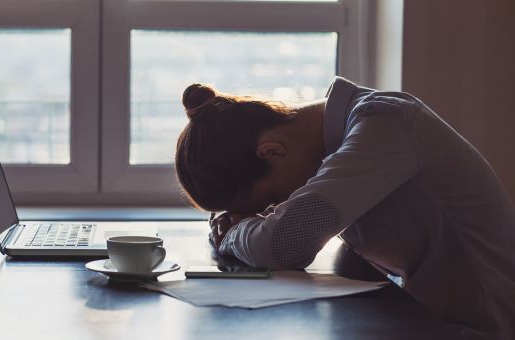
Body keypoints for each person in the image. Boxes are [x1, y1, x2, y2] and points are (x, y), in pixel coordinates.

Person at [174, 77, 515, 339]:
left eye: (266, 202)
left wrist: (234, 233)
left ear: (272, 152)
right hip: (427, 316)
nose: (275, 208)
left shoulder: (385, 125)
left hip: (482, 328)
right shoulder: (342, 139)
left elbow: (281, 244)